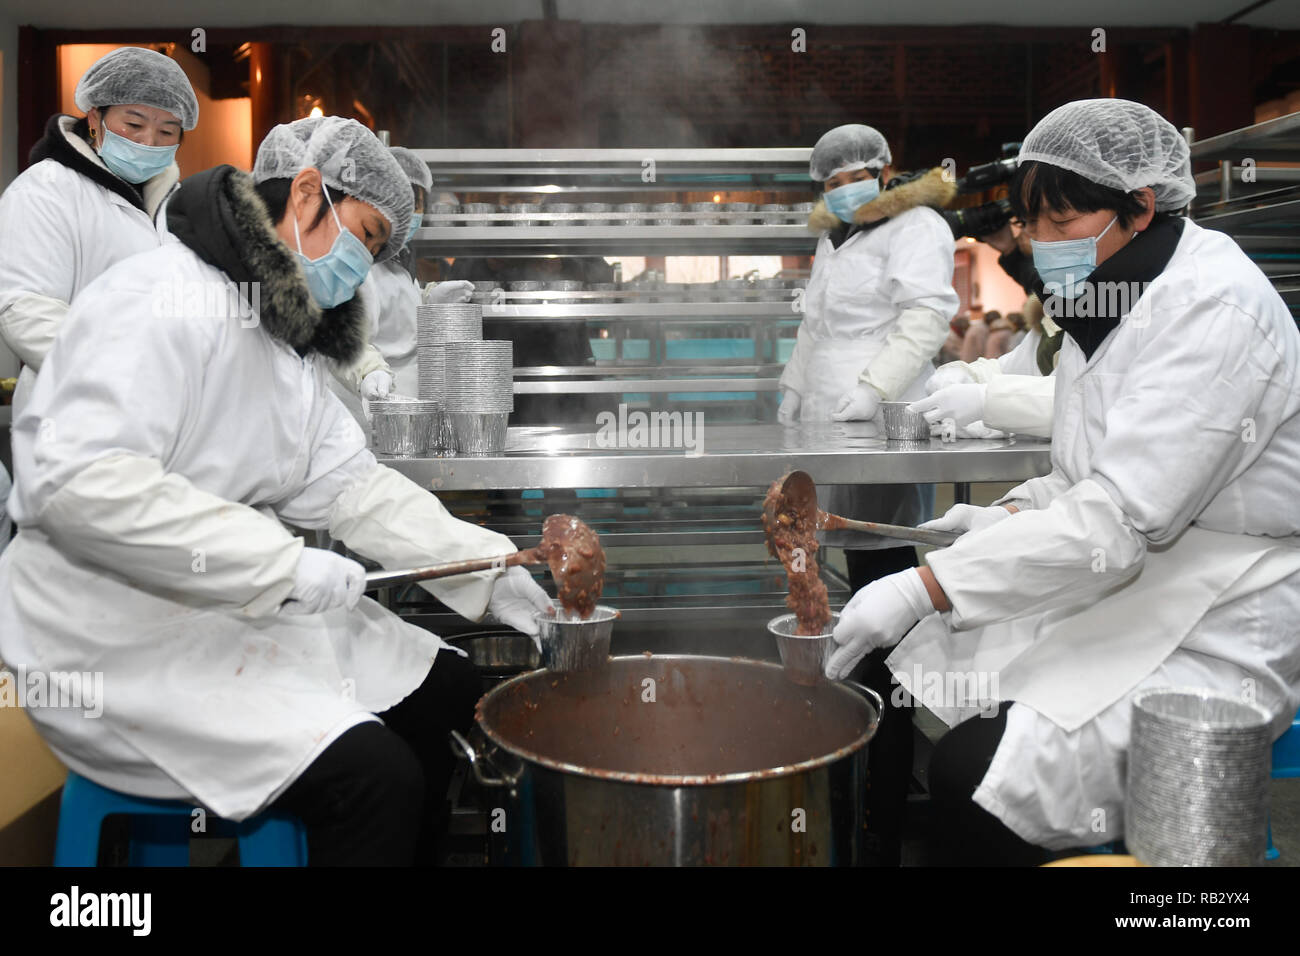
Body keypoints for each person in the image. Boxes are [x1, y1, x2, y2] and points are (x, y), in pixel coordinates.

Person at [0, 116, 553, 866]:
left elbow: (351, 488)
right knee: (374, 781)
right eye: (365, 232)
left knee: (454, 691)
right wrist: (277, 565)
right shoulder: (158, 298)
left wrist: (490, 570)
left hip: (216, 603)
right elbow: (79, 485)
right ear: (304, 192)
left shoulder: (277, 333)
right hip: (108, 636)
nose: (363, 266)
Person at [825, 98, 1300, 865]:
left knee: (978, 776)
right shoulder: (1113, 292)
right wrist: (1006, 512)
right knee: (932, 678)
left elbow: (1120, 517)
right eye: (1030, 224)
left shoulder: (1213, 308)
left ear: (1140, 206)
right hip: (1140, 579)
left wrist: (923, 587)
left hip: (1226, 607)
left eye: (1063, 224)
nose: (1041, 245)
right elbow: (1084, 478)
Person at [779, 123, 959, 865]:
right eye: (831, 180)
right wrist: (792, 393)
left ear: (887, 172)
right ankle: (847, 754)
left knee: (885, 593)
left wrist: (872, 389)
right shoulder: (836, 238)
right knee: (835, 590)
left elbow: (925, 317)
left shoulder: (918, 226)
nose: (845, 187)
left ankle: (882, 800)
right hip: (822, 430)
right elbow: (815, 327)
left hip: (877, 427)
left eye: (857, 174)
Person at [0, 47, 199, 416]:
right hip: (73, 415)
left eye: (167, 130)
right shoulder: (47, 190)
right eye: (134, 125)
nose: (148, 142)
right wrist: (125, 369)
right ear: (95, 118)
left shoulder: (179, 206)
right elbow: (26, 309)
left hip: (166, 415)